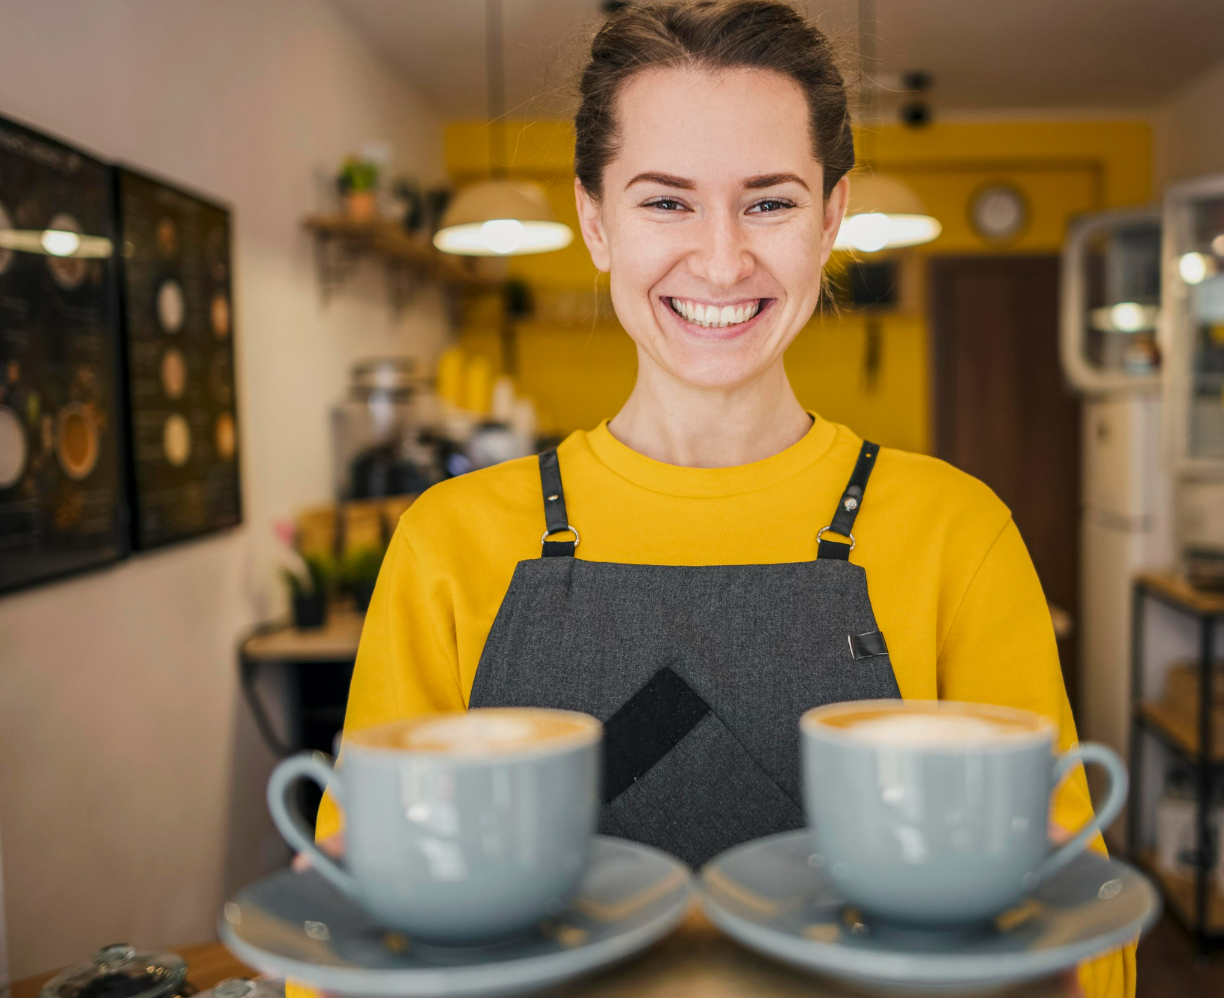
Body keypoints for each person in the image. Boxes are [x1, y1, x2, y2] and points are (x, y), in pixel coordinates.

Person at [318, 2, 1131, 994]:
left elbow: (1082, 938)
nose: (719, 259)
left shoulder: (959, 534)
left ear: (831, 216)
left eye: (770, 202)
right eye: (666, 202)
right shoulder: (447, 544)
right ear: (593, 218)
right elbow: (352, 939)